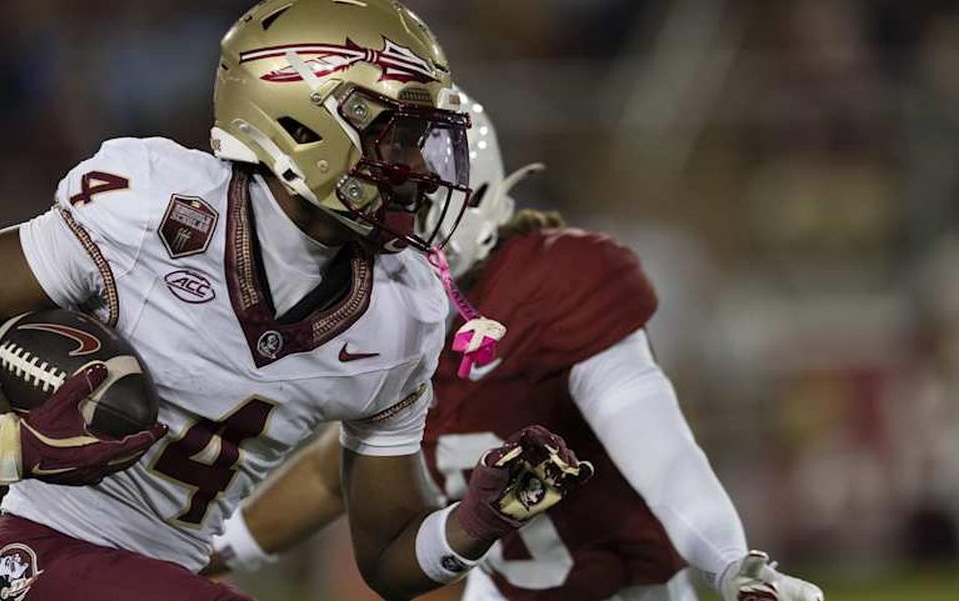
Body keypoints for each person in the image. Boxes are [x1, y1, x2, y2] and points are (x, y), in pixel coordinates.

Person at [0, 0, 585, 601]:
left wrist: (474, 520)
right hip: (48, 557)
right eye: (398, 138)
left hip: (172, 575)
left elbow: (384, 558)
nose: (420, 172)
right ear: (304, 121)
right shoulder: (153, 203)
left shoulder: (401, 315)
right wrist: (0, 432)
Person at [209, 96, 826, 601]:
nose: (392, 216)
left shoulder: (551, 286)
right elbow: (330, 473)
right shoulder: (382, 311)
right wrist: (208, 550)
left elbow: (661, 451)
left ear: (471, 197)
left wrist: (730, 565)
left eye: (410, 195)